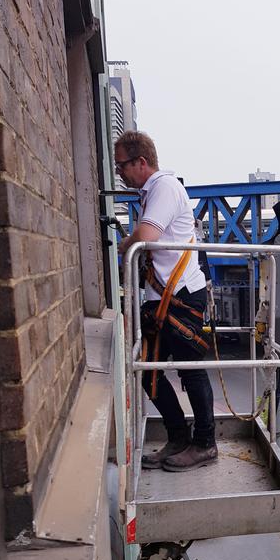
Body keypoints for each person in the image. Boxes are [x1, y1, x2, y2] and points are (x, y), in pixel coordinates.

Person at [116, 131, 217, 471]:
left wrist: (125, 244)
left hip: (181, 296)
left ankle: (205, 444)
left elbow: (147, 236)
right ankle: (179, 437)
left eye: (121, 165)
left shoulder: (165, 187)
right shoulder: (152, 192)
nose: (119, 173)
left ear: (141, 162)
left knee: (190, 370)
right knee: (150, 373)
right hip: (162, 298)